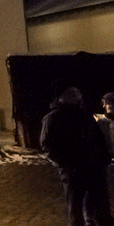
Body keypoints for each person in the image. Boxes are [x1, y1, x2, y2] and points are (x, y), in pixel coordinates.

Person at [40, 85, 114, 226]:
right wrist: (67, 165)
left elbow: (98, 138)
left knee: (103, 209)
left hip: (94, 169)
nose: (76, 97)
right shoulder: (53, 118)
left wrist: (103, 158)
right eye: (71, 95)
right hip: (73, 173)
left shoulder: (85, 115)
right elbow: (47, 145)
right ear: (61, 98)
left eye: (76, 95)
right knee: (76, 212)